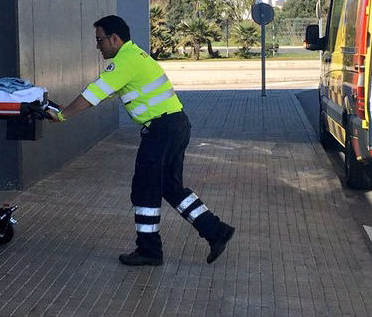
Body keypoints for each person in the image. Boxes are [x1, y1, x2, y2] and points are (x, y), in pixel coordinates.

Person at [45, 15, 236, 266]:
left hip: (162, 130)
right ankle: (215, 230)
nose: (98, 45)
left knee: (145, 188)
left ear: (115, 38)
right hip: (174, 125)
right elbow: (102, 95)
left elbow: (94, 93)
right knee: (169, 187)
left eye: (100, 40)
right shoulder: (135, 56)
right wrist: (66, 107)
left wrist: (61, 115)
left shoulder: (125, 61)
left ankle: (149, 250)